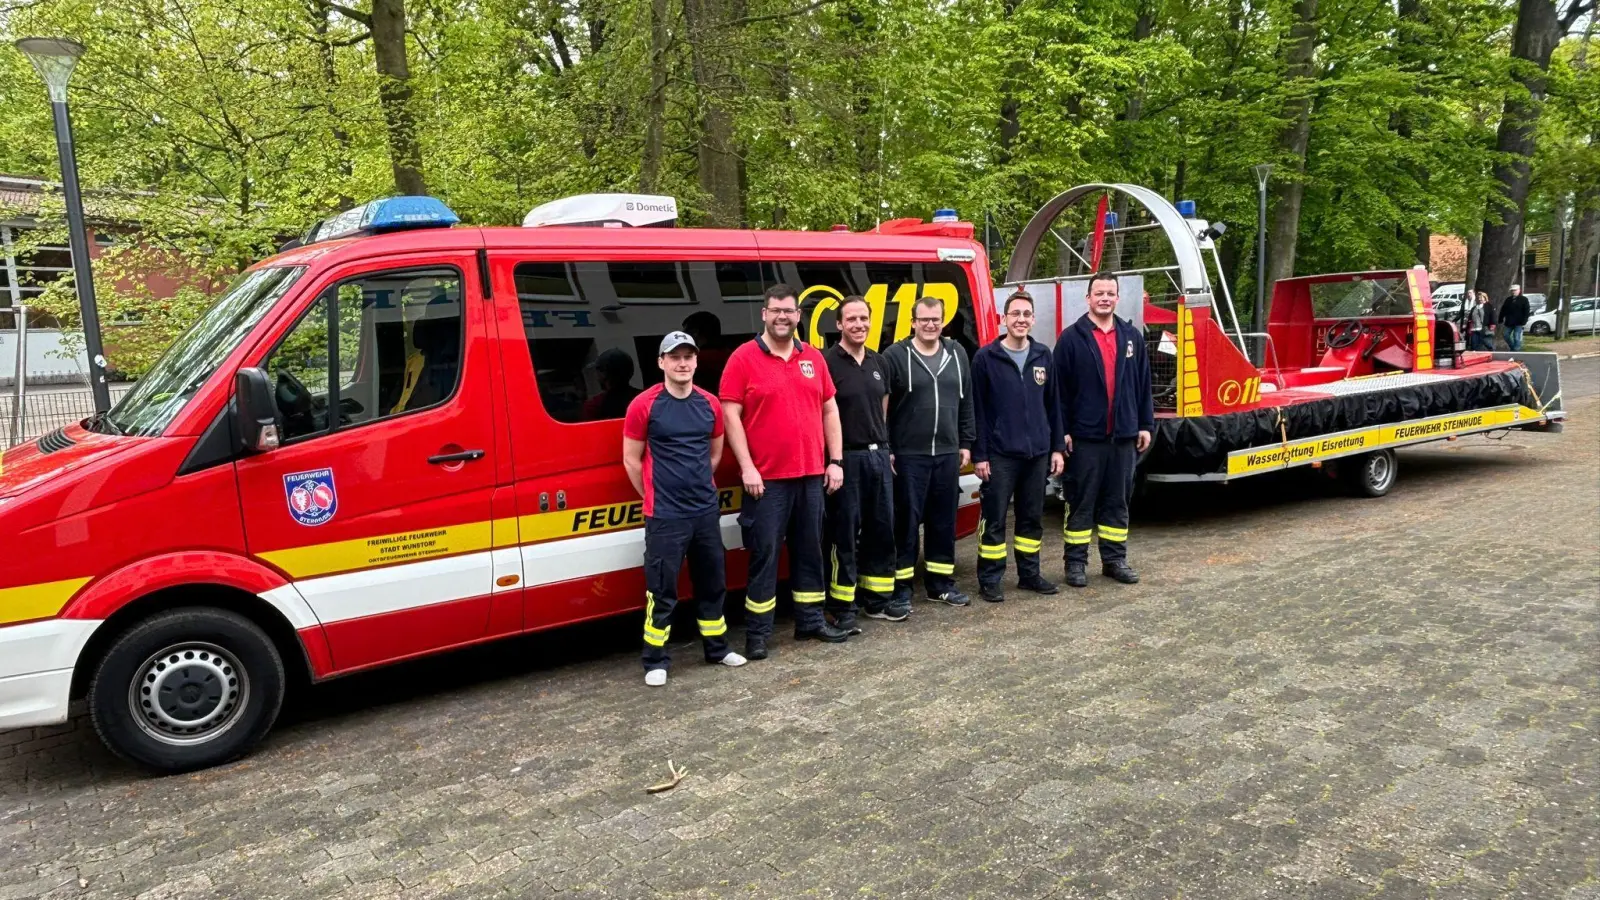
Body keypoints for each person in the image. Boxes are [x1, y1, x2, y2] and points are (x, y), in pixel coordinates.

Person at [720, 284, 851, 659]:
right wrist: (747, 468)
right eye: (775, 310)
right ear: (764, 314)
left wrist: (836, 460)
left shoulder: (812, 357)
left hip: (812, 475)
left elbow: (829, 409)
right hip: (767, 481)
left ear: (798, 316)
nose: (782, 316)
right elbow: (731, 415)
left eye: (789, 311)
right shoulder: (743, 359)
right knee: (765, 555)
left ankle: (810, 621)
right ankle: (758, 634)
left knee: (811, 551)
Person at [622, 332, 747, 686]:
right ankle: (655, 660)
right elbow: (632, 460)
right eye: (674, 357)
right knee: (661, 590)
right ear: (661, 362)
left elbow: (714, 453)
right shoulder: (644, 405)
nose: (682, 363)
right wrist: (654, 496)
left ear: (696, 361)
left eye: (688, 357)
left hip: (704, 511)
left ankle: (718, 649)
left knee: (712, 583)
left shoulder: (709, 404)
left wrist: (696, 486)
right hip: (665, 515)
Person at [1052, 273, 1153, 588]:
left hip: (1123, 437)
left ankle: (1114, 561)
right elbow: (1058, 392)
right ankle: (1076, 564)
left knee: (1117, 501)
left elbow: (1143, 384)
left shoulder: (1131, 336)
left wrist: (1145, 424)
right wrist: (1063, 430)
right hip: (1085, 439)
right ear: (1088, 298)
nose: (1105, 298)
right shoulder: (1071, 338)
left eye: (1110, 293)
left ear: (1118, 298)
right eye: (1099, 293)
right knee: (1081, 502)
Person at [971, 290, 1065, 603]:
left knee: (1031, 518)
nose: (1021, 319)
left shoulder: (1043, 355)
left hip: (1037, 454)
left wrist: (1055, 448)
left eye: (1026, 314)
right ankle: (990, 579)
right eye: (1015, 314)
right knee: (994, 519)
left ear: (1033, 319)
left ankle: (1029, 575)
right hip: (999, 455)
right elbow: (978, 411)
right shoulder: (985, 358)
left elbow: (1054, 406)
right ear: (1004, 318)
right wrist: (981, 455)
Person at [884, 295, 976, 608]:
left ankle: (940, 585)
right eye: (924, 319)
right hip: (909, 455)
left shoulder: (957, 352)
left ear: (943, 320)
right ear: (912, 322)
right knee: (906, 522)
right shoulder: (896, 355)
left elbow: (967, 401)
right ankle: (902, 588)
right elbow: (883, 408)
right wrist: (889, 447)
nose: (930, 324)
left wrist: (966, 441)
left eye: (935, 319)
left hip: (948, 453)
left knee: (943, 520)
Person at [823, 295, 901, 629]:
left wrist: (886, 449)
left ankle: (878, 601)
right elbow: (822, 415)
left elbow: (882, 410)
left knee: (881, 530)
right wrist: (833, 460)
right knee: (843, 533)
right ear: (839, 324)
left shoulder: (879, 362)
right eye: (851, 319)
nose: (859, 325)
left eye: (864, 319)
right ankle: (843, 608)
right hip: (846, 460)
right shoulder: (827, 363)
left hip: (878, 456)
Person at [583, 348, 641, 420]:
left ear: (603, 374)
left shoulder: (594, 405)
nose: (596, 376)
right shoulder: (645, 398)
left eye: (597, 371)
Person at [1499, 284, 1530, 351]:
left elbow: (1526, 311)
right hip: (1509, 321)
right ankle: (1513, 348)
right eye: (1512, 290)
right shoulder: (1508, 299)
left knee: (1516, 337)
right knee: (1505, 335)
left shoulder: (1524, 299)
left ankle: (1517, 350)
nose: (1513, 292)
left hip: (1519, 322)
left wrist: (1525, 320)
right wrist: (1500, 318)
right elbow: (1503, 309)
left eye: (1515, 290)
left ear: (1519, 290)